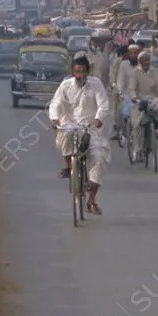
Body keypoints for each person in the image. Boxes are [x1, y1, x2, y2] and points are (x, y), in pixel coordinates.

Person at [48, 56, 111, 216]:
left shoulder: (96, 84)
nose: (79, 75)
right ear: (72, 72)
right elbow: (56, 103)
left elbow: (103, 104)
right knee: (65, 135)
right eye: (76, 71)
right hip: (70, 124)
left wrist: (98, 119)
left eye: (82, 71)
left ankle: (91, 200)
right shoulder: (65, 85)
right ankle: (69, 167)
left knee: (100, 158)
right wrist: (54, 118)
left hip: (90, 128)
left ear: (87, 71)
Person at [127, 51, 158, 161]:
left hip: (152, 99)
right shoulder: (135, 72)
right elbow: (132, 89)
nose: (147, 62)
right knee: (137, 125)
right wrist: (135, 98)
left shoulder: (154, 71)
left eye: (148, 60)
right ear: (140, 61)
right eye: (145, 60)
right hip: (139, 101)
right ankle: (138, 148)